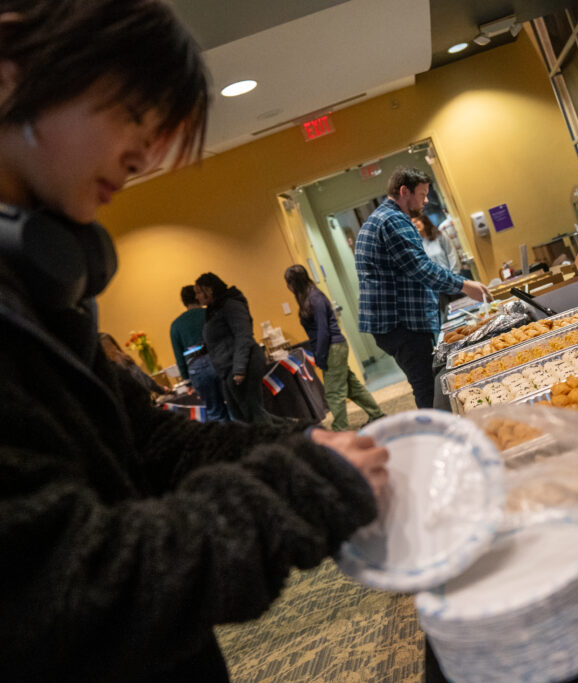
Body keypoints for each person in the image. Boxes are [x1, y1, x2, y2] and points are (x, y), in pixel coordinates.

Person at [0, 2, 387, 679]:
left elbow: (150, 444)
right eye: (133, 113)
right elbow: (73, 587)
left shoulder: (37, 301)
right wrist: (300, 486)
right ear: (12, 72)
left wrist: (302, 445)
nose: (144, 154)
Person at [355, 167, 490, 408]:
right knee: (427, 388)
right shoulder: (394, 220)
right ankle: (440, 439)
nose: (426, 200)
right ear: (404, 191)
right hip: (403, 323)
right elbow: (420, 267)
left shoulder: (380, 218)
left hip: (392, 323)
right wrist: (464, 284)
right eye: (422, 194)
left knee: (426, 383)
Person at [284, 264, 385, 430]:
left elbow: (323, 331)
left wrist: (321, 356)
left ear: (296, 283)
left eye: (289, 283)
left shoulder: (314, 298)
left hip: (332, 348)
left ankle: (339, 429)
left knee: (333, 393)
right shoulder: (309, 297)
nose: (288, 287)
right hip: (333, 347)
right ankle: (377, 415)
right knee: (352, 388)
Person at [194, 272, 279, 424]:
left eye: (199, 292)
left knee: (254, 414)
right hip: (227, 369)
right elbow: (218, 338)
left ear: (210, 290)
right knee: (241, 417)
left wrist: (240, 369)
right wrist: (201, 351)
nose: (197, 297)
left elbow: (243, 336)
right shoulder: (214, 310)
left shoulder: (231, 305)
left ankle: (291, 435)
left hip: (243, 365)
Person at [170, 283, 228, 421]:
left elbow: (179, 357)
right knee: (232, 405)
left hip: (197, 369)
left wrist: (187, 381)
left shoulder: (176, 325)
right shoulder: (210, 313)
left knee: (215, 412)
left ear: (184, 302)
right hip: (218, 361)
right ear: (198, 297)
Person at [412, 211, 460, 332]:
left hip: (452, 283)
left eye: (416, 221)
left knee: (462, 313)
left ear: (423, 220)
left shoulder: (440, 235)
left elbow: (452, 255)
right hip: (435, 290)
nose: (415, 224)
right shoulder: (415, 245)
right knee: (446, 322)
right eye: (411, 224)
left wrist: (453, 278)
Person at [99, 332, 171, 397]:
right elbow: (144, 379)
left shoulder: (103, 372)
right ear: (114, 345)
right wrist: (161, 389)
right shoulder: (125, 359)